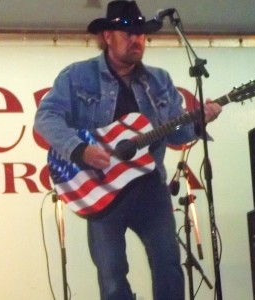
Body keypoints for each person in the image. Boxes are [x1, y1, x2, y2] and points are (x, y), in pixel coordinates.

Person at [34, 1, 222, 299]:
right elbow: (45, 118)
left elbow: (176, 136)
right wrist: (80, 149)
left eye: (141, 34)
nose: (136, 40)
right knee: (111, 275)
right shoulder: (77, 76)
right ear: (107, 36)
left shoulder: (159, 81)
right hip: (100, 188)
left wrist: (200, 121)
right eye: (127, 33)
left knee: (169, 263)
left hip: (149, 186)